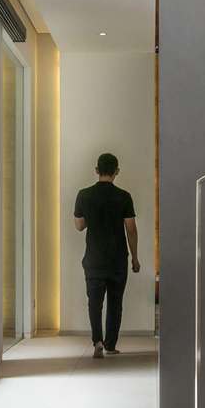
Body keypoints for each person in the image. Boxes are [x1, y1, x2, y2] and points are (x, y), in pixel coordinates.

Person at [73, 152, 140, 357]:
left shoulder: (84, 195)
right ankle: (111, 344)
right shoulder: (124, 196)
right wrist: (135, 258)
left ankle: (97, 342)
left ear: (96, 170)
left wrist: (93, 217)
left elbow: (79, 226)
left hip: (93, 259)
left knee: (94, 303)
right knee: (115, 303)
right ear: (116, 171)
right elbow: (131, 229)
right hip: (117, 259)